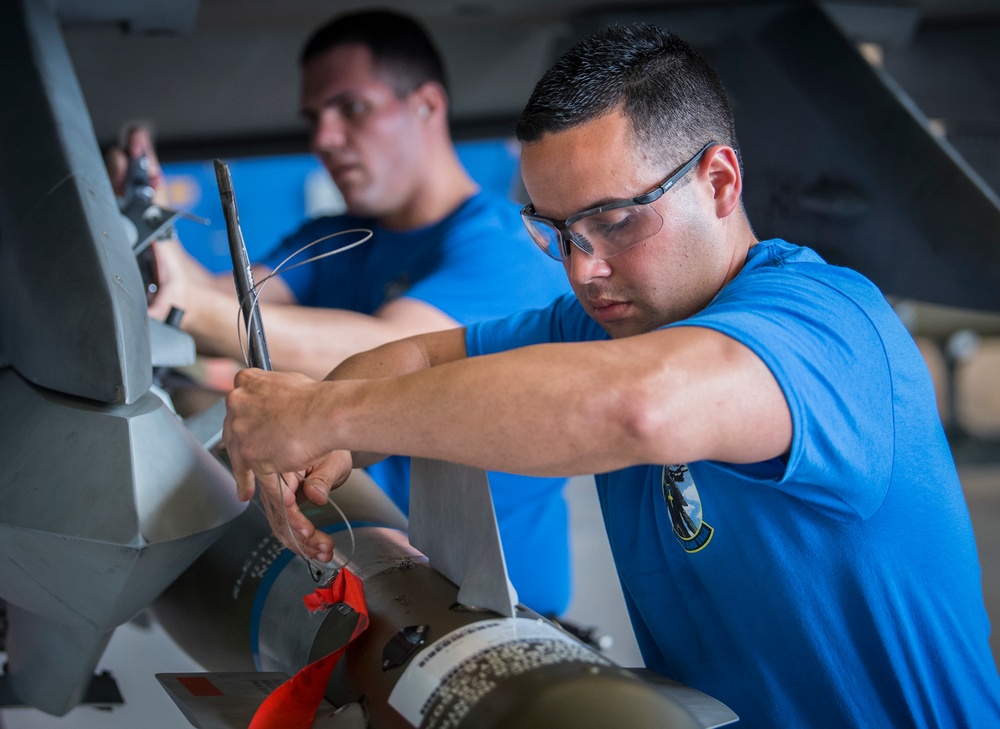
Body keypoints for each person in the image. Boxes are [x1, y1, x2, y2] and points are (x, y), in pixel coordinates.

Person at [222, 22, 1000, 727]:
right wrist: (324, 419)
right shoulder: (604, 320)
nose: (584, 269)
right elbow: (421, 352)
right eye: (557, 231)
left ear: (720, 183)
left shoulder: (824, 323)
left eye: (617, 220)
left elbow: (640, 408)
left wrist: (334, 419)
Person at [116, 11, 573, 617]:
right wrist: (152, 245)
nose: (325, 139)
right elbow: (227, 299)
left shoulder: (509, 250)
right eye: (314, 119)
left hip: (506, 620)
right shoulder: (338, 236)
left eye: (351, 108)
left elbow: (394, 356)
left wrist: (186, 306)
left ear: (426, 106)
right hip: (375, 594)